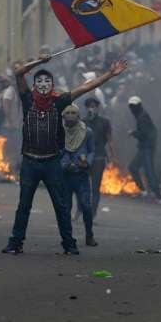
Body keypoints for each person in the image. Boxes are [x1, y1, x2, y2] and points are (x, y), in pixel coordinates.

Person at [2, 57, 127, 255]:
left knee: (61, 206)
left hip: (52, 162)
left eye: (47, 82)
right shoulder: (27, 99)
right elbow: (18, 73)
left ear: (52, 86)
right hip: (29, 162)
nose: (43, 85)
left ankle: (69, 244)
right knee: (24, 205)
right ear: (34, 85)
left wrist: (110, 75)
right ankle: (15, 242)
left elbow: (86, 87)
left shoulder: (59, 101)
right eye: (39, 82)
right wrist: (38, 61)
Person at [60, 105, 97, 247]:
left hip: (81, 176)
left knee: (86, 206)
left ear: (78, 116)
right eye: (67, 112)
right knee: (66, 208)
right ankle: (68, 238)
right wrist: (65, 164)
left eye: (73, 113)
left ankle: (89, 235)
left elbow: (92, 150)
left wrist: (87, 162)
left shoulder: (87, 132)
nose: (70, 115)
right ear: (63, 116)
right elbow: (58, 152)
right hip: (65, 176)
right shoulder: (59, 133)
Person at [84, 97, 116, 216]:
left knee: (95, 187)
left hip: (99, 158)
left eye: (93, 106)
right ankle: (81, 209)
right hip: (84, 159)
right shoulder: (82, 122)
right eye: (89, 106)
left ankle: (92, 213)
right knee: (82, 187)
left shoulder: (104, 122)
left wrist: (113, 157)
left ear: (98, 108)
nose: (91, 109)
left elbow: (110, 140)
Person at [127, 96, 161, 202]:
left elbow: (144, 134)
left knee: (149, 172)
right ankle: (144, 191)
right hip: (144, 148)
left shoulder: (142, 117)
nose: (132, 108)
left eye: (134, 106)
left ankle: (158, 196)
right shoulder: (141, 115)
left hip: (147, 148)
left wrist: (133, 133)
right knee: (133, 167)